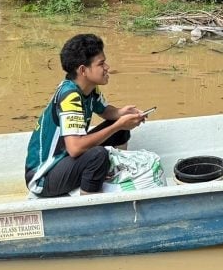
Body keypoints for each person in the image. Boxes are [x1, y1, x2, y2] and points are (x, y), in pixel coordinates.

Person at [25, 33, 146, 197]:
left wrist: (121, 113)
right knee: (98, 155)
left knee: (118, 128)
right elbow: (75, 148)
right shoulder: (70, 97)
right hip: (43, 177)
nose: (107, 67)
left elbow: (105, 111)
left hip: (65, 161)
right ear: (83, 70)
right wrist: (119, 125)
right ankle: (89, 202)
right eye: (101, 64)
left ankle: (113, 175)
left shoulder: (90, 88)